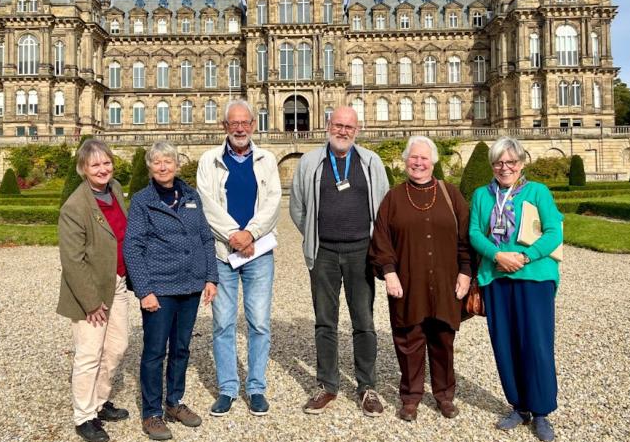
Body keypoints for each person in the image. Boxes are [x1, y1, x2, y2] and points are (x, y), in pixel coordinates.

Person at [289, 105, 389, 417]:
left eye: (349, 126)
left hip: (361, 251)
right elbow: (298, 207)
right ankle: (327, 385)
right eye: (338, 125)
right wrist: (313, 236)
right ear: (327, 125)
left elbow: (383, 208)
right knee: (325, 321)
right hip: (324, 253)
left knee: (364, 321)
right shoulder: (309, 161)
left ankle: (367, 386)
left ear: (357, 130)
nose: (343, 131)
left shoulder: (371, 162)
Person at [369, 136, 473, 421]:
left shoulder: (451, 195)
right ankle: (411, 396)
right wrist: (389, 273)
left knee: (443, 340)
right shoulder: (394, 197)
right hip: (407, 282)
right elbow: (381, 240)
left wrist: (466, 272)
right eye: (413, 158)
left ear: (433, 161)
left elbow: (466, 238)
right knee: (409, 340)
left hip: (445, 281)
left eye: (424, 158)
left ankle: (444, 395)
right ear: (405, 161)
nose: (418, 163)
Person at [468, 136, 564, 442]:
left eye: (510, 162)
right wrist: (497, 255)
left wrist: (524, 257)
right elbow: (473, 233)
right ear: (492, 165)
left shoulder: (537, 192)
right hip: (496, 277)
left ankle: (542, 411)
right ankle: (519, 406)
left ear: (521, 163)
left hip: (534, 276)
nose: (504, 167)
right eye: (498, 162)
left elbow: (553, 232)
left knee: (536, 344)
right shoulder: (482, 195)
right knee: (505, 344)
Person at [123, 141, 218, 441]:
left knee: (181, 348)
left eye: (168, 161)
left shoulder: (191, 195)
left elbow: (205, 238)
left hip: (190, 284)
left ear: (177, 164)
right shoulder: (142, 200)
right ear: (149, 167)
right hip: (160, 287)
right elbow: (133, 246)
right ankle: (151, 413)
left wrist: (211, 278)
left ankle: (174, 402)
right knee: (154, 352)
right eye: (157, 162)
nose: (163, 167)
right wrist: (144, 290)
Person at [196, 100, 281, 417]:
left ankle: (256, 387)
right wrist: (235, 235)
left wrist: (251, 234)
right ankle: (228, 389)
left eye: (246, 122)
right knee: (223, 324)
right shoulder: (210, 160)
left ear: (254, 125)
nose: (241, 128)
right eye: (234, 123)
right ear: (225, 127)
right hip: (222, 253)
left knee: (259, 323)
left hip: (258, 253)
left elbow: (273, 202)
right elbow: (206, 203)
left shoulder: (267, 159)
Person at [57, 138, 131, 442]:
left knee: (117, 346)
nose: (102, 169)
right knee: (89, 354)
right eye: (95, 165)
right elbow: (72, 260)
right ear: (83, 169)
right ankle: (83, 416)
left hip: (117, 283)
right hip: (90, 288)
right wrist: (91, 302)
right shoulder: (75, 207)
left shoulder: (114, 192)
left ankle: (99, 402)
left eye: (106, 162)